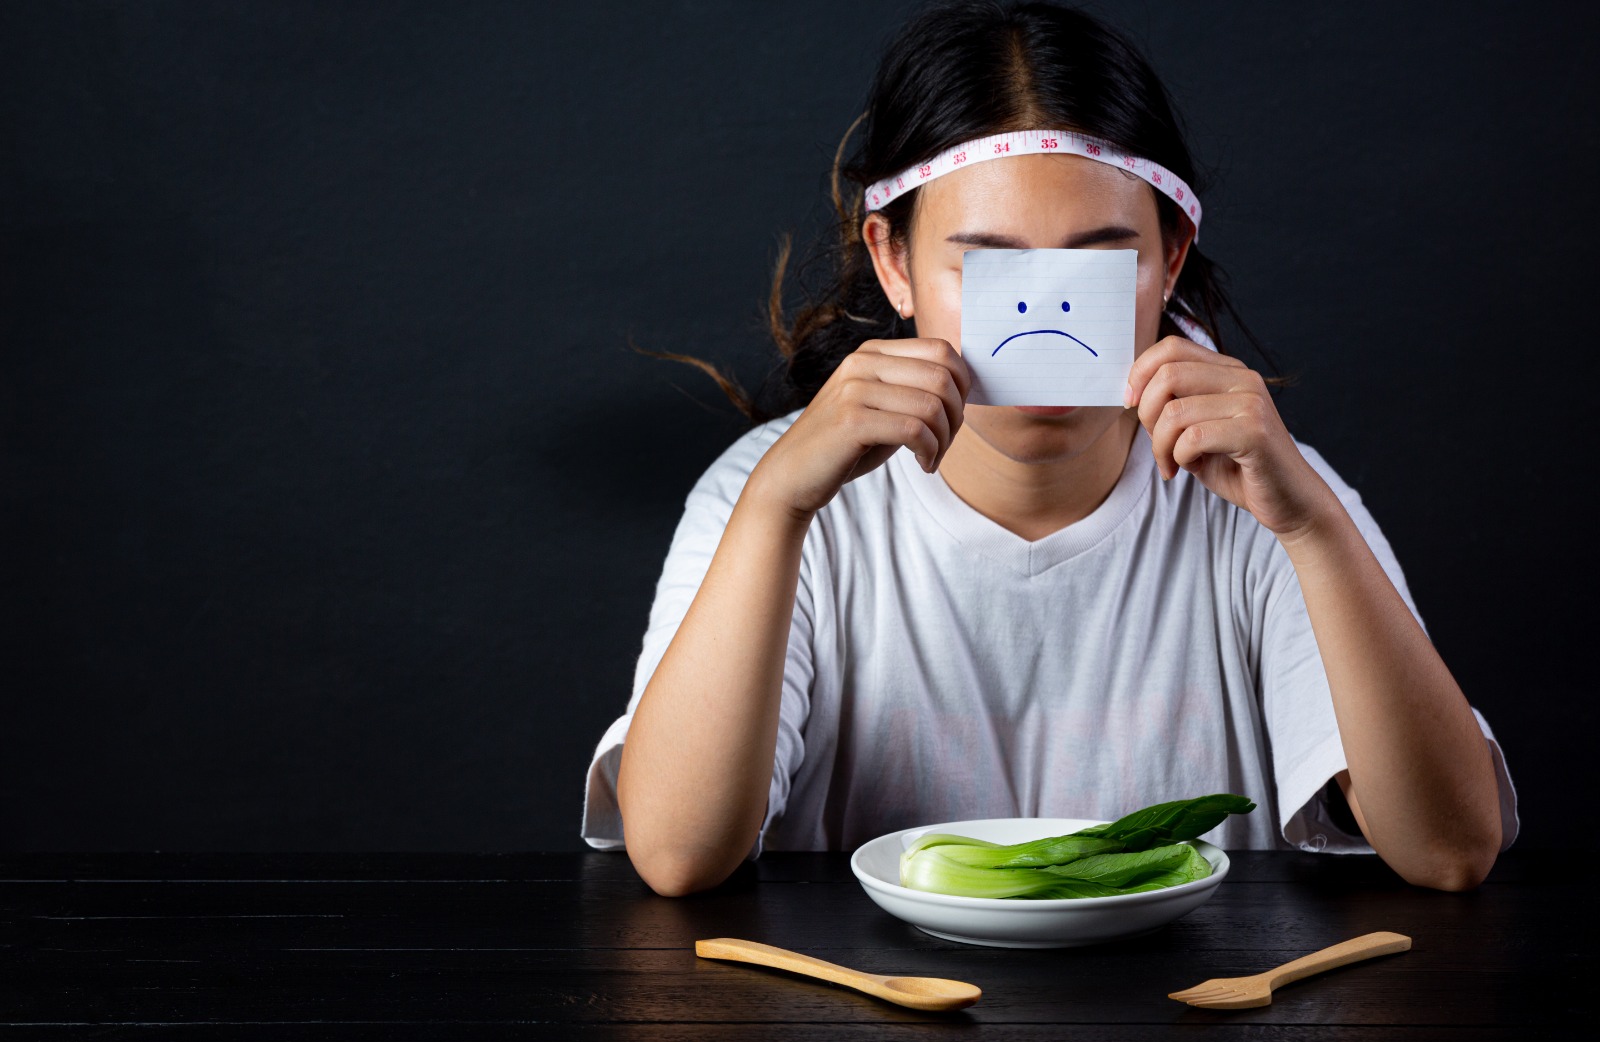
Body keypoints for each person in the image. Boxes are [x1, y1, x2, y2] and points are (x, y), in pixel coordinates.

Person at [581, 0, 1518, 896]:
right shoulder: (765, 494)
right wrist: (777, 508)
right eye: (989, 262)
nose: (1046, 322)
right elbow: (676, 854)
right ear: (894, 261)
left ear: (1170, 257)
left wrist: (1312, 527)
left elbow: (1449, 853)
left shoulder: (1275, 499)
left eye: (1100, 259)